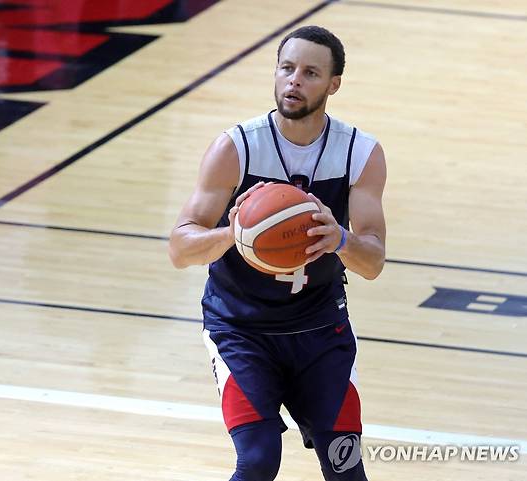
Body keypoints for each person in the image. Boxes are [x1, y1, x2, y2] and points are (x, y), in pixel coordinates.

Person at [168, 25, 386, 481]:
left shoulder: (359, 153)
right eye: (287, 69)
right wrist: (235, 232)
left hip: (321, 329)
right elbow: (180, 247)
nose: (294, 81)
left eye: (310, 72)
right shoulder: (237, 147)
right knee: (259, 459)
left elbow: (373, 262)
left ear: (333, 84)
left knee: (345, 466)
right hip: (240, 327)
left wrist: (341, 240)